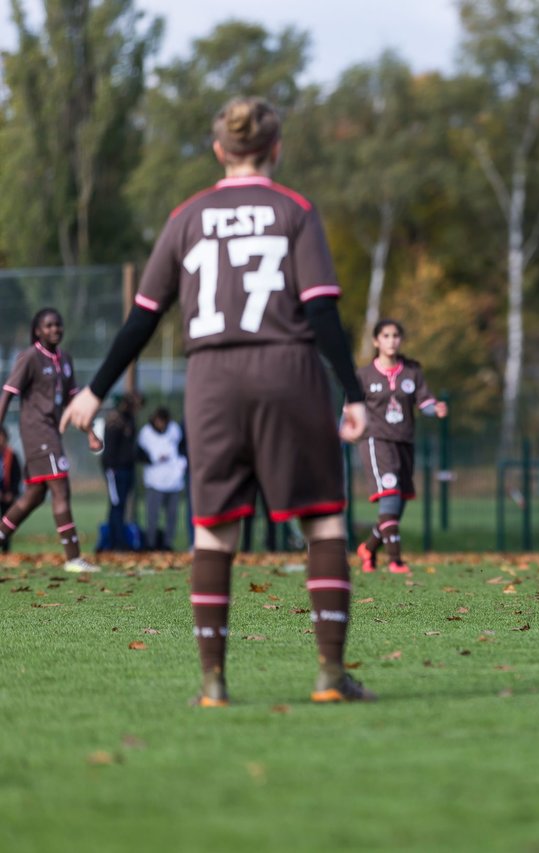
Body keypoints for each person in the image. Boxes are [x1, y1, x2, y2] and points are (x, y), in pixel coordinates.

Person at [62, 96, 373, 706]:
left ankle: (212, 683)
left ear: (217, 151)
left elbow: (143, 318)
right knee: (323, 520)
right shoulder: (295, 210)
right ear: (275, 149)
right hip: (287, 371)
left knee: (214, 531)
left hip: (211, 382)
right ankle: (331, 676)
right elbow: (321, 311)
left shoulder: (187, 216)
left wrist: (96, 388)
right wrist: (354, 394)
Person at [0, 309, 101, 571]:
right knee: (60, 489)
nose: (55, 329)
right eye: (49, 326)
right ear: (38, 331)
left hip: (51, 432)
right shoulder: (30, 357)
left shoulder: (65, 359)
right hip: (37, 432)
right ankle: (73, 557)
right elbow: (8, 392)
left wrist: (90, 433)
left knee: (34, 495)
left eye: (58, 324)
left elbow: (74, 402)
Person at [355, 319, 448, 574]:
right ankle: (395, 560)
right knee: (390, 497)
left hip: (404, 442)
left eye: (396, 335)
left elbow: (424, 402)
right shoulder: (364, 375)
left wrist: (435, 408)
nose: (391, 340)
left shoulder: (412, 371)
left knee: (397, 505)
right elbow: (351, 409)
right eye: (385, 336)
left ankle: (368, 547)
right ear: (376, 341)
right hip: (377, 441)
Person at [137, 407, 187, 551]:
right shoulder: (145, 433)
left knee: (172, 516)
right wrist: (154, 459)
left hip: (173, 481)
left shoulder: (174, 430)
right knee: (152, 515)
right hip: (154, 481)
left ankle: (167, 544)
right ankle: (151, 544)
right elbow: (139, 454)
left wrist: (182, 464)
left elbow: (182, 449)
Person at [98, 392, 142, 552]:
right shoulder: (115, 421)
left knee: (121, 506)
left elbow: (131, 448)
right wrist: (111, 469)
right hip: (115, 471)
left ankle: (117, 541)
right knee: (116, 506)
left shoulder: (130, 420)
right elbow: (110, 450)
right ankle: (114, 543)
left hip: (126, 469)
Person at [0, 426, 20, 554]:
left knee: (7, 521)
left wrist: (12, 492)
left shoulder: (11, 455)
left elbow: (16, 476)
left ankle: (6, 550)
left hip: (8, 495)